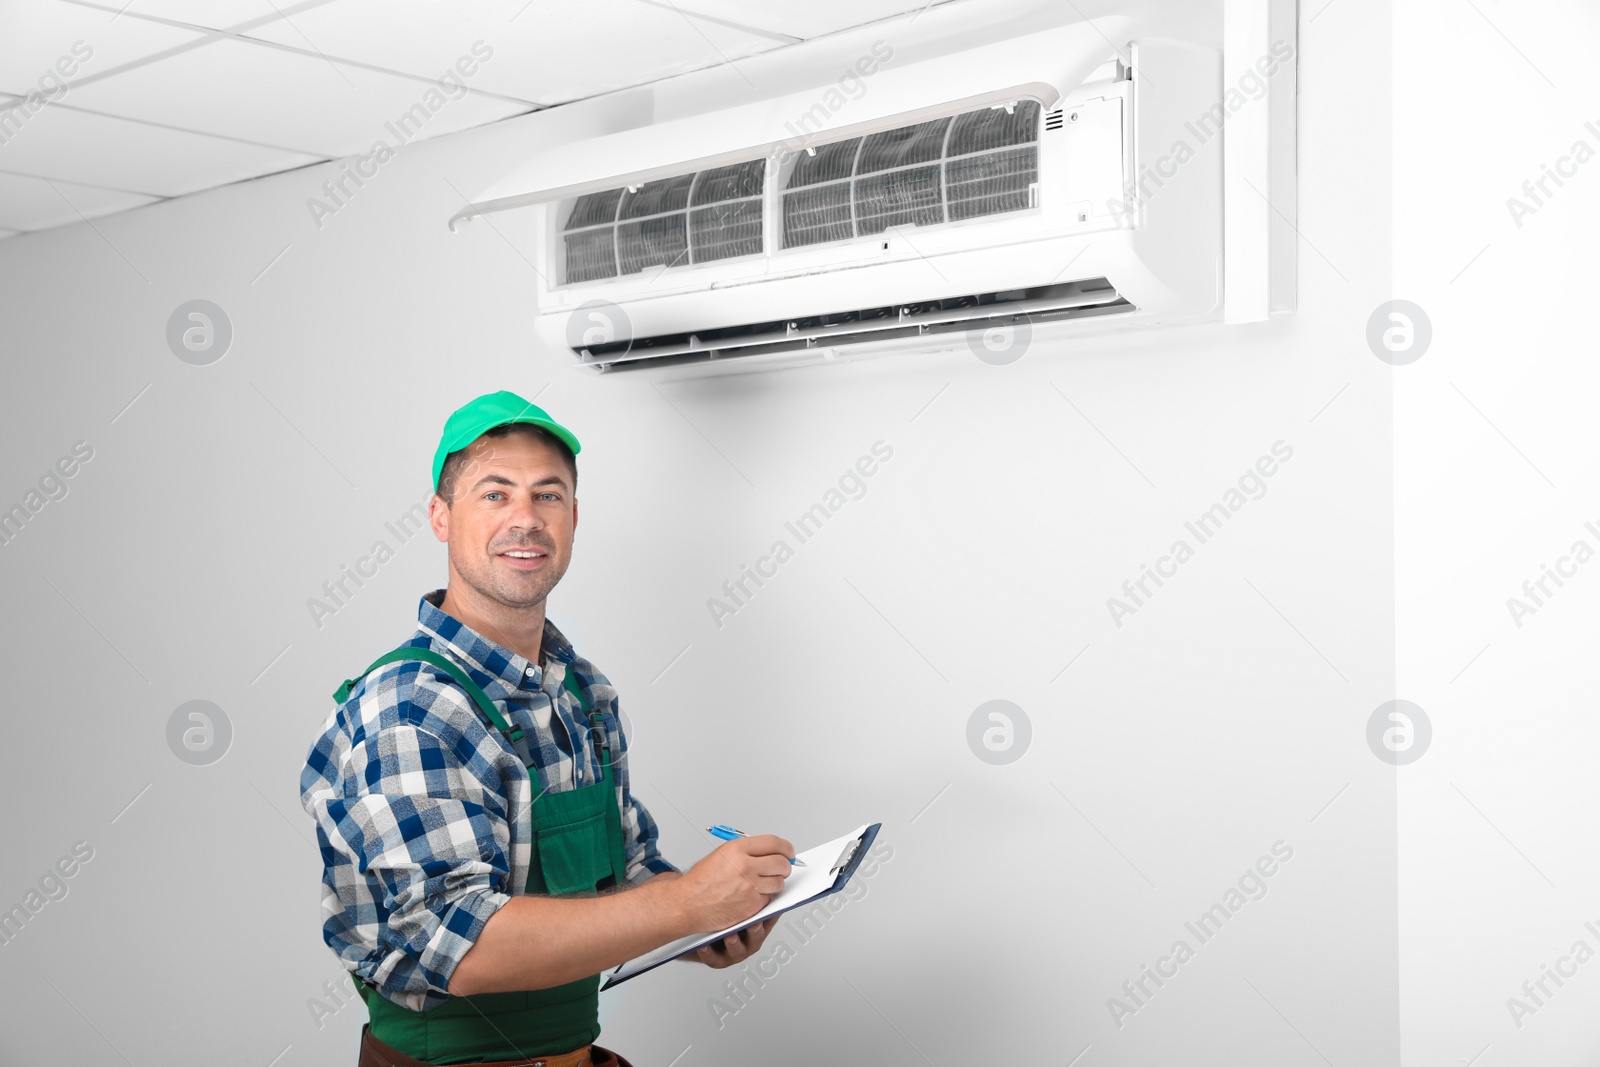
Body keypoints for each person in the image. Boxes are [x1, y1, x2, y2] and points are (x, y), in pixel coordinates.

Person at [301, 390, 796, 1067]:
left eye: (549, 495)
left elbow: (628, 872)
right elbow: (459, 941)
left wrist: (711, 918)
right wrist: (684, 904)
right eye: (495, 495)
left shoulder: (584, 694)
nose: (526, 520)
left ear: (573, 517)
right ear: (441, 517)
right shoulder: (410, 706)